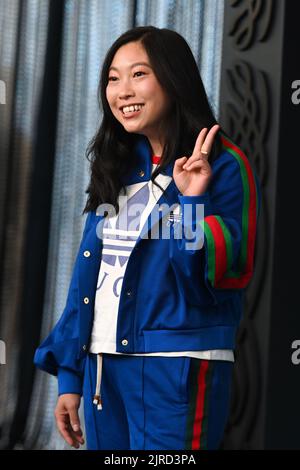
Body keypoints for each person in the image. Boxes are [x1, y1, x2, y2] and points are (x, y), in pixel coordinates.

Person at [34, 26, 261, 451]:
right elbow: (89, 278)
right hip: (104, 369)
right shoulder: (117, 163)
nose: (122, 90)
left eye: (139, 74)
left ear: (174, 80)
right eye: (113, 78)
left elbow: (211, 282)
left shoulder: (224, 165)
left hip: (174, 368)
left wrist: (192, 203)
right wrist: (71, 373)